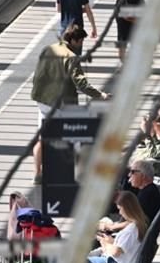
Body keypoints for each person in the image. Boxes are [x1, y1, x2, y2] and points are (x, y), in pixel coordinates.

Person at [30, 25, 108, 183]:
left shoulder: (48, 49)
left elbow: (37, 75)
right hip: (60, 104)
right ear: (73, 40)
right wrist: (101, 95)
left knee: (43, 138)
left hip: (43, 101)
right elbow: (81, 84)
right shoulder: (71, 57)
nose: (81, 45)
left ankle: (37, 173)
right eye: (80, 41)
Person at [88, 191, 148, 263]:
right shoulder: (137, 225)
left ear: (127, 209)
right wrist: (110, 242)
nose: (120, 213)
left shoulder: (131, 230)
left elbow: (116, 252)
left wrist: (106, 243)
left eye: (120, 209)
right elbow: (123, 248)